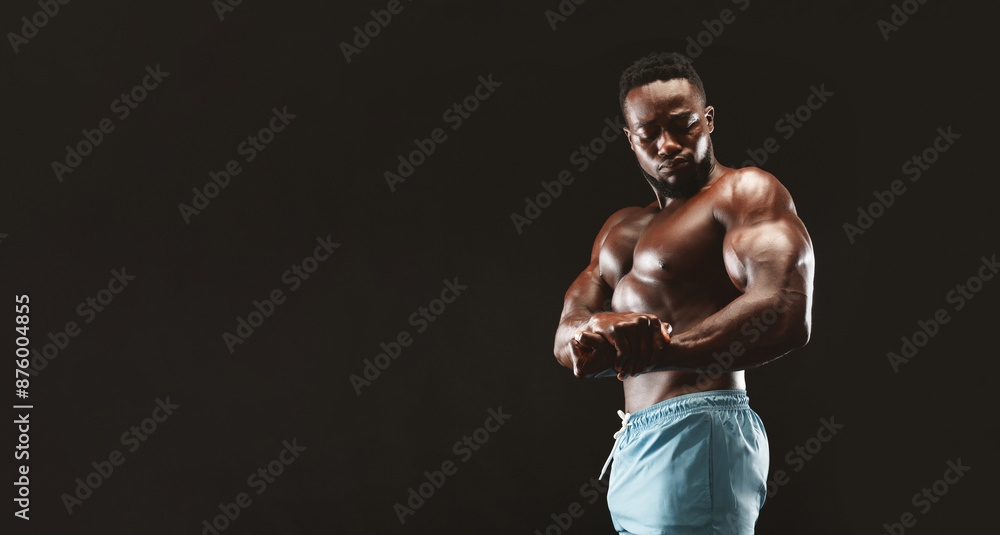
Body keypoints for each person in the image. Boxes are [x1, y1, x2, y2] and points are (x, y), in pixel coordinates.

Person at [552, 52, 815, 534]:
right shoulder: (620, 230)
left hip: (700, 428)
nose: (667, 144)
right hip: (633, 442)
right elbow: (568, 335)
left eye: (684, 126)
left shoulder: (744, 193)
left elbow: (784, 308)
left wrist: (658, 352)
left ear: (709, 120)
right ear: (630, 139)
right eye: (649, 134)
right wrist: (593, 330)